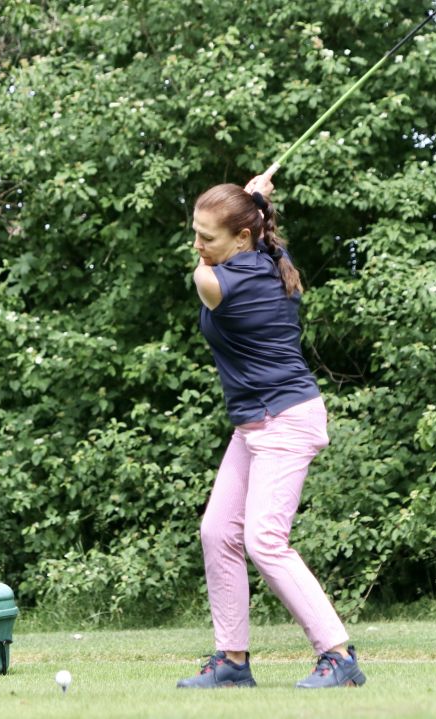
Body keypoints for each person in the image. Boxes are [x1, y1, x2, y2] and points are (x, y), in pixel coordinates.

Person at [176, 172, 366, 690]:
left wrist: (253, 203)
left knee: (264, 540)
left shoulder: (227, 279)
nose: (197, 246)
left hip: (285, 420)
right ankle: (232, 662)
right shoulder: (266, 255)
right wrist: (254, 202)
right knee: (218, 532)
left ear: (241, 237)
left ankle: (338, 656)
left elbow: (202, 278)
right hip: (254, 423)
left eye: (206, 237)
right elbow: (248, 235)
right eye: (195, 233)